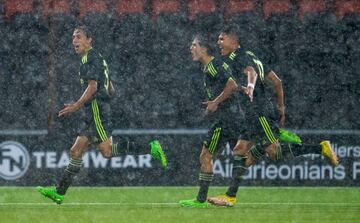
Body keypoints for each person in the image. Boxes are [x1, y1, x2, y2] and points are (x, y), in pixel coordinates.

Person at [208, 24, 339, 207]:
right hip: (253, 113)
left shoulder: (238, 57)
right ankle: (230, 196)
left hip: (259, 112)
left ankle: (320, 148)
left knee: (274, 152)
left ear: (234, 40)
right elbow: (277, 82)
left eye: (222, 39)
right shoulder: (252, 55)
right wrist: (281, 107)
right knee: (240, 151)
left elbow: (250, 73)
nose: (218, 42)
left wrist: (251, 87)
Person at [36, 25, 167, 204]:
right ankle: (59, 193)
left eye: (79, 37)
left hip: (96, 109)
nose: (75, 40)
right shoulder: (95, 58)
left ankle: (150, 147)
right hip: (96, 109)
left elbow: (93, 86)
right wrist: (107, 97)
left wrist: (76, 106)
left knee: (106, 151)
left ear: (89, 40)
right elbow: (110, 86)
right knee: (76, 151)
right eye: (73, 37)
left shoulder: (90, 58)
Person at [179, 34, 244, 208]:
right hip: (232, 117)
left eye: (194, 45)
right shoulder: (212, 67)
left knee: (206, 155)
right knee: (248, 155)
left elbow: (231, 84)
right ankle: (229, 196)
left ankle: (201, 200)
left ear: (204, 48)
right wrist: (213, 105)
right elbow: (233, 86)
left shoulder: (213, 66)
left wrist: (215, 102)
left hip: (227, 119)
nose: (191, 48)